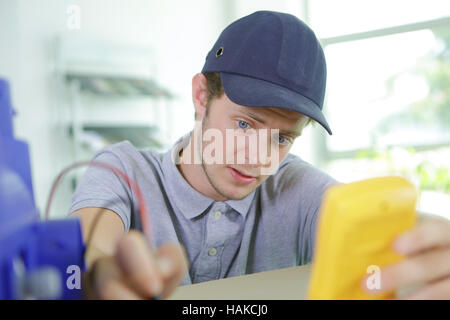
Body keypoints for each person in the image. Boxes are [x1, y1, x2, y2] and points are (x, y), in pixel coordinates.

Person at [70, 11, 450, 300]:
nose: (260, 159)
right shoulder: (122, 170)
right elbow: (89, 252)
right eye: (246, 125)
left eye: (283, 138)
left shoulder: (297, 188)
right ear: (202, 95)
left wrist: (427, 249)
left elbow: (374, 230)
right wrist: (100, 275)